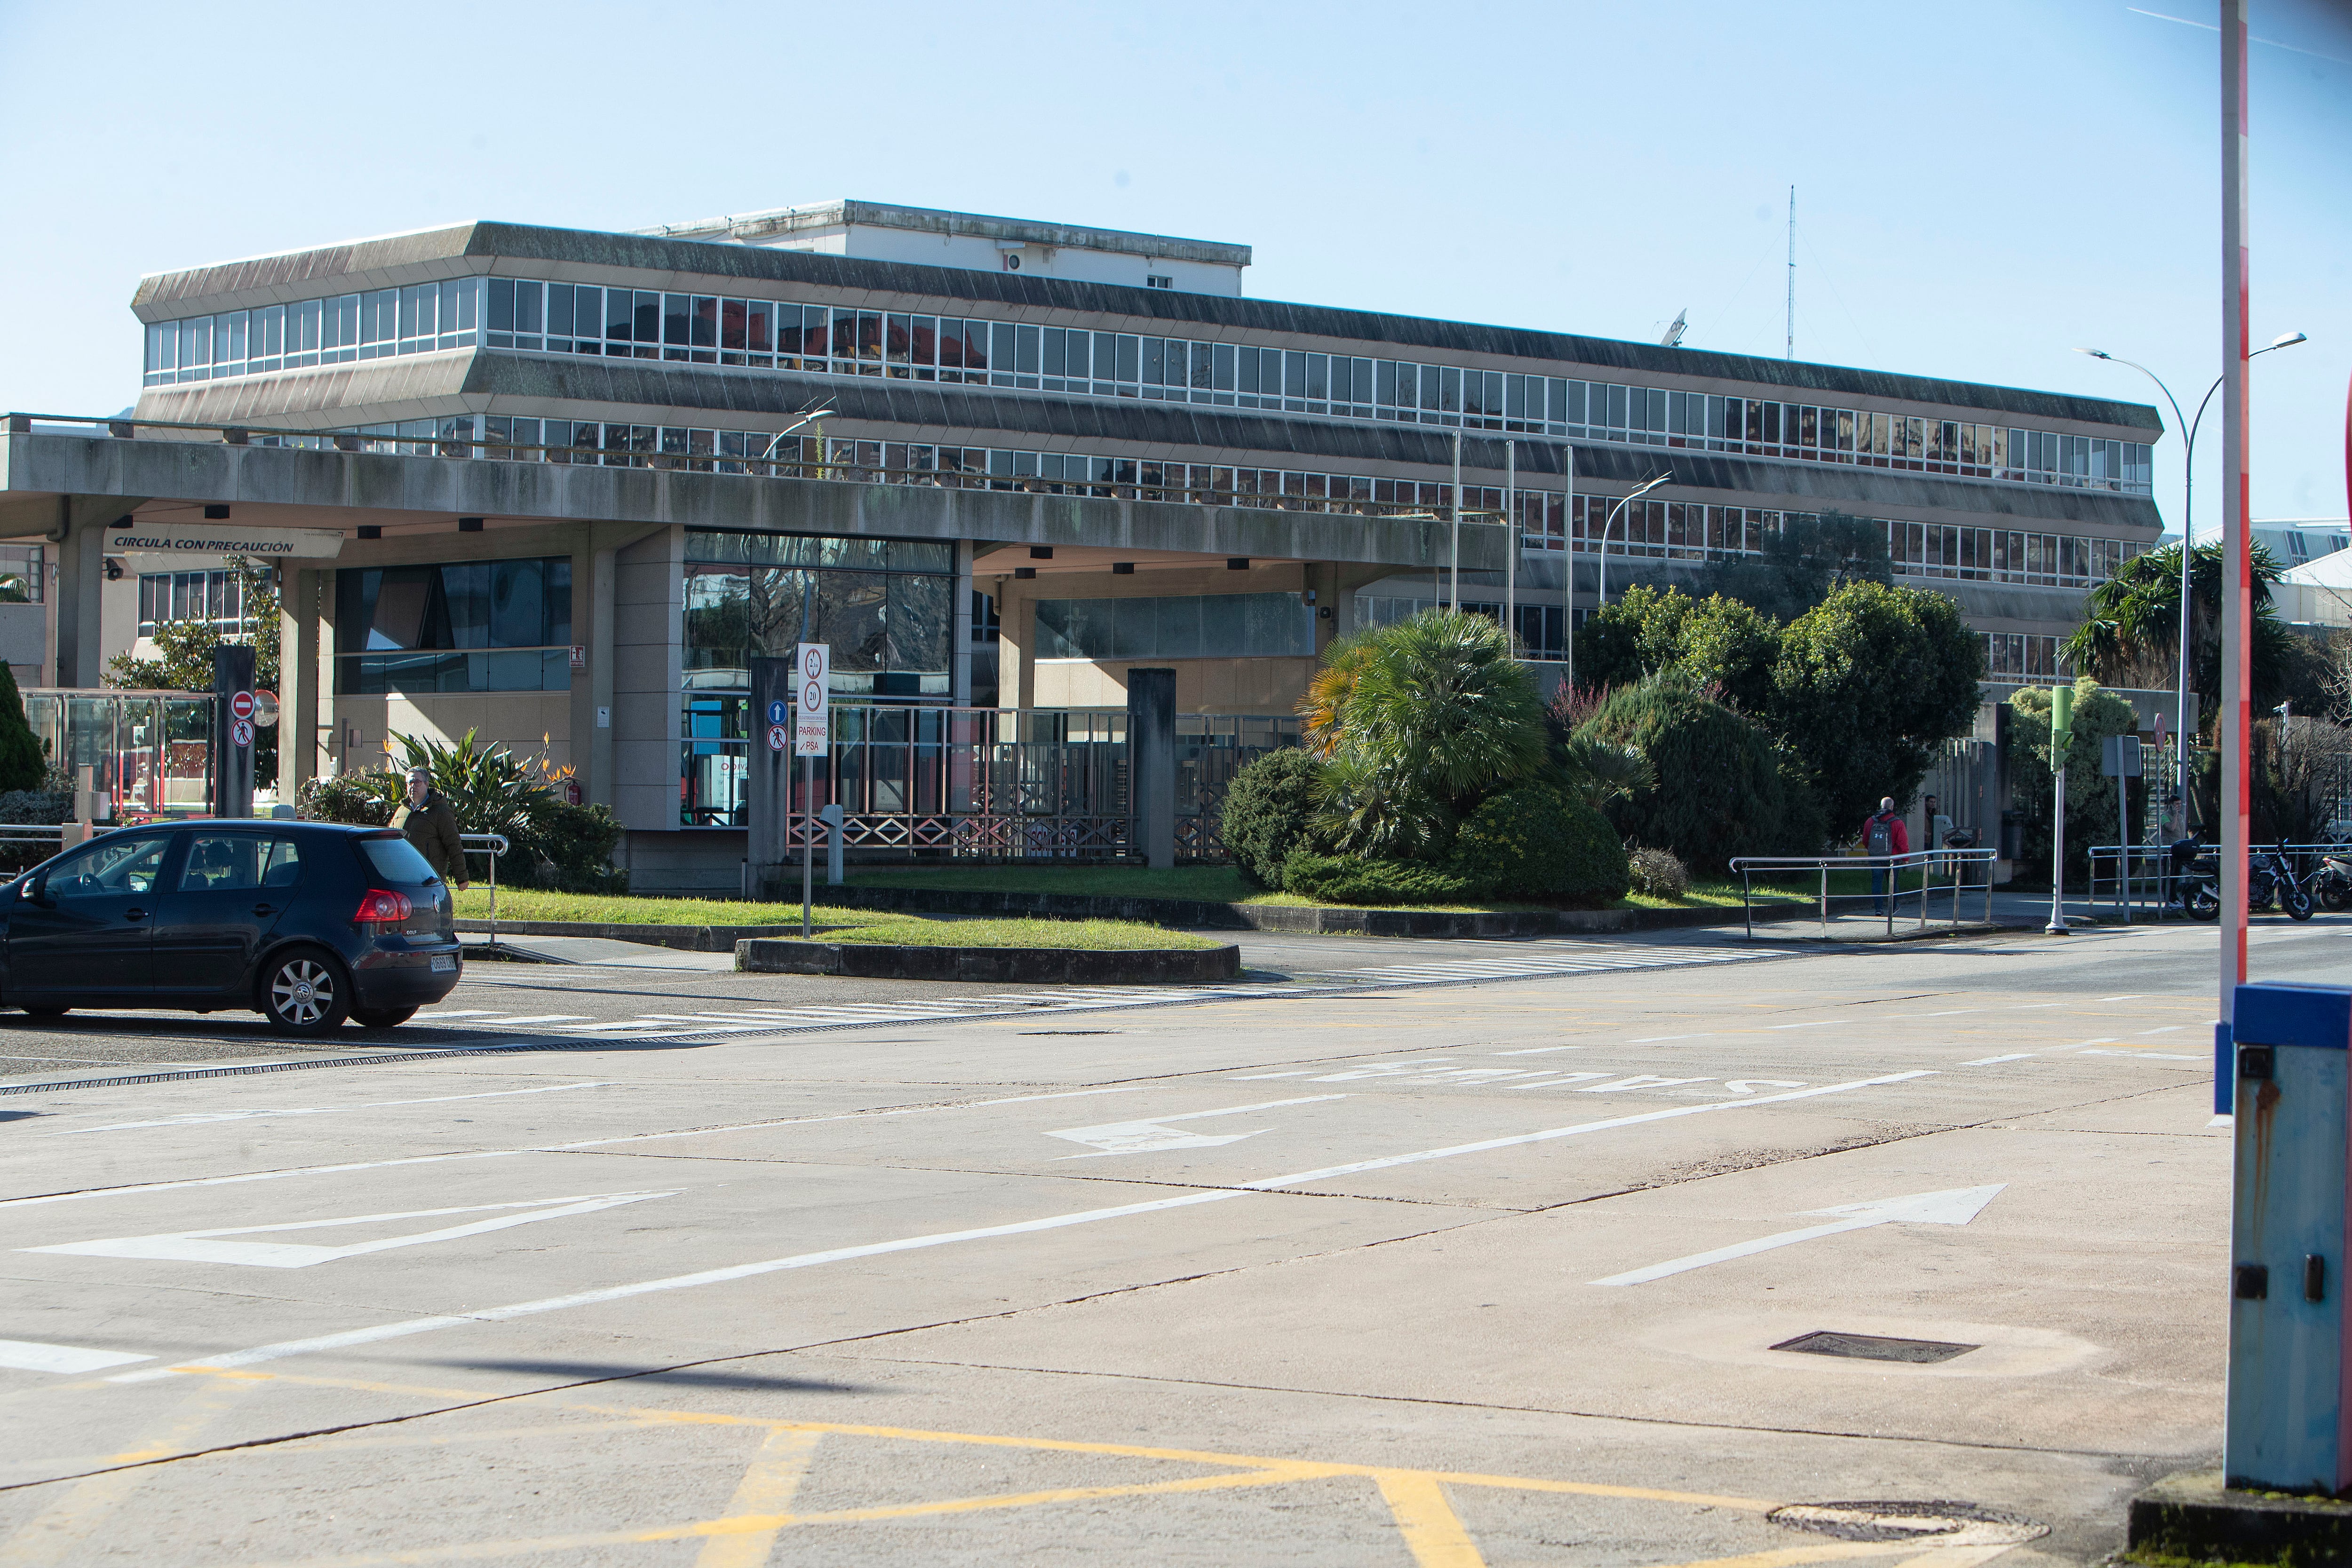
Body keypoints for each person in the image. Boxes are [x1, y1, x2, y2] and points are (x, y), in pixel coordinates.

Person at [390, 766, 470, 890]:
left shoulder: (441, 812)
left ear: (427, 784)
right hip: (402, 880)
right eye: (410, 783)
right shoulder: (401, 811)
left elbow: (454, 844)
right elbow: (389, 842)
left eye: (417, 782)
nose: (413, 786)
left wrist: (462, 878)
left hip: (429, 880)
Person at [1863, 796, 1910, 915]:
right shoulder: (1898, 823)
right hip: (1893, 858)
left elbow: (1865, 840)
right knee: (1893, 882)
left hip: (1876, 858)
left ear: (1881, 806)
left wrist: (1874, 850)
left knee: (1877, 882)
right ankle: (1894, 906)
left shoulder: (1871, 821)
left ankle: (1878, 909)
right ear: (1892, 807)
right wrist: (1906, 858)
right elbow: (1903, 842)